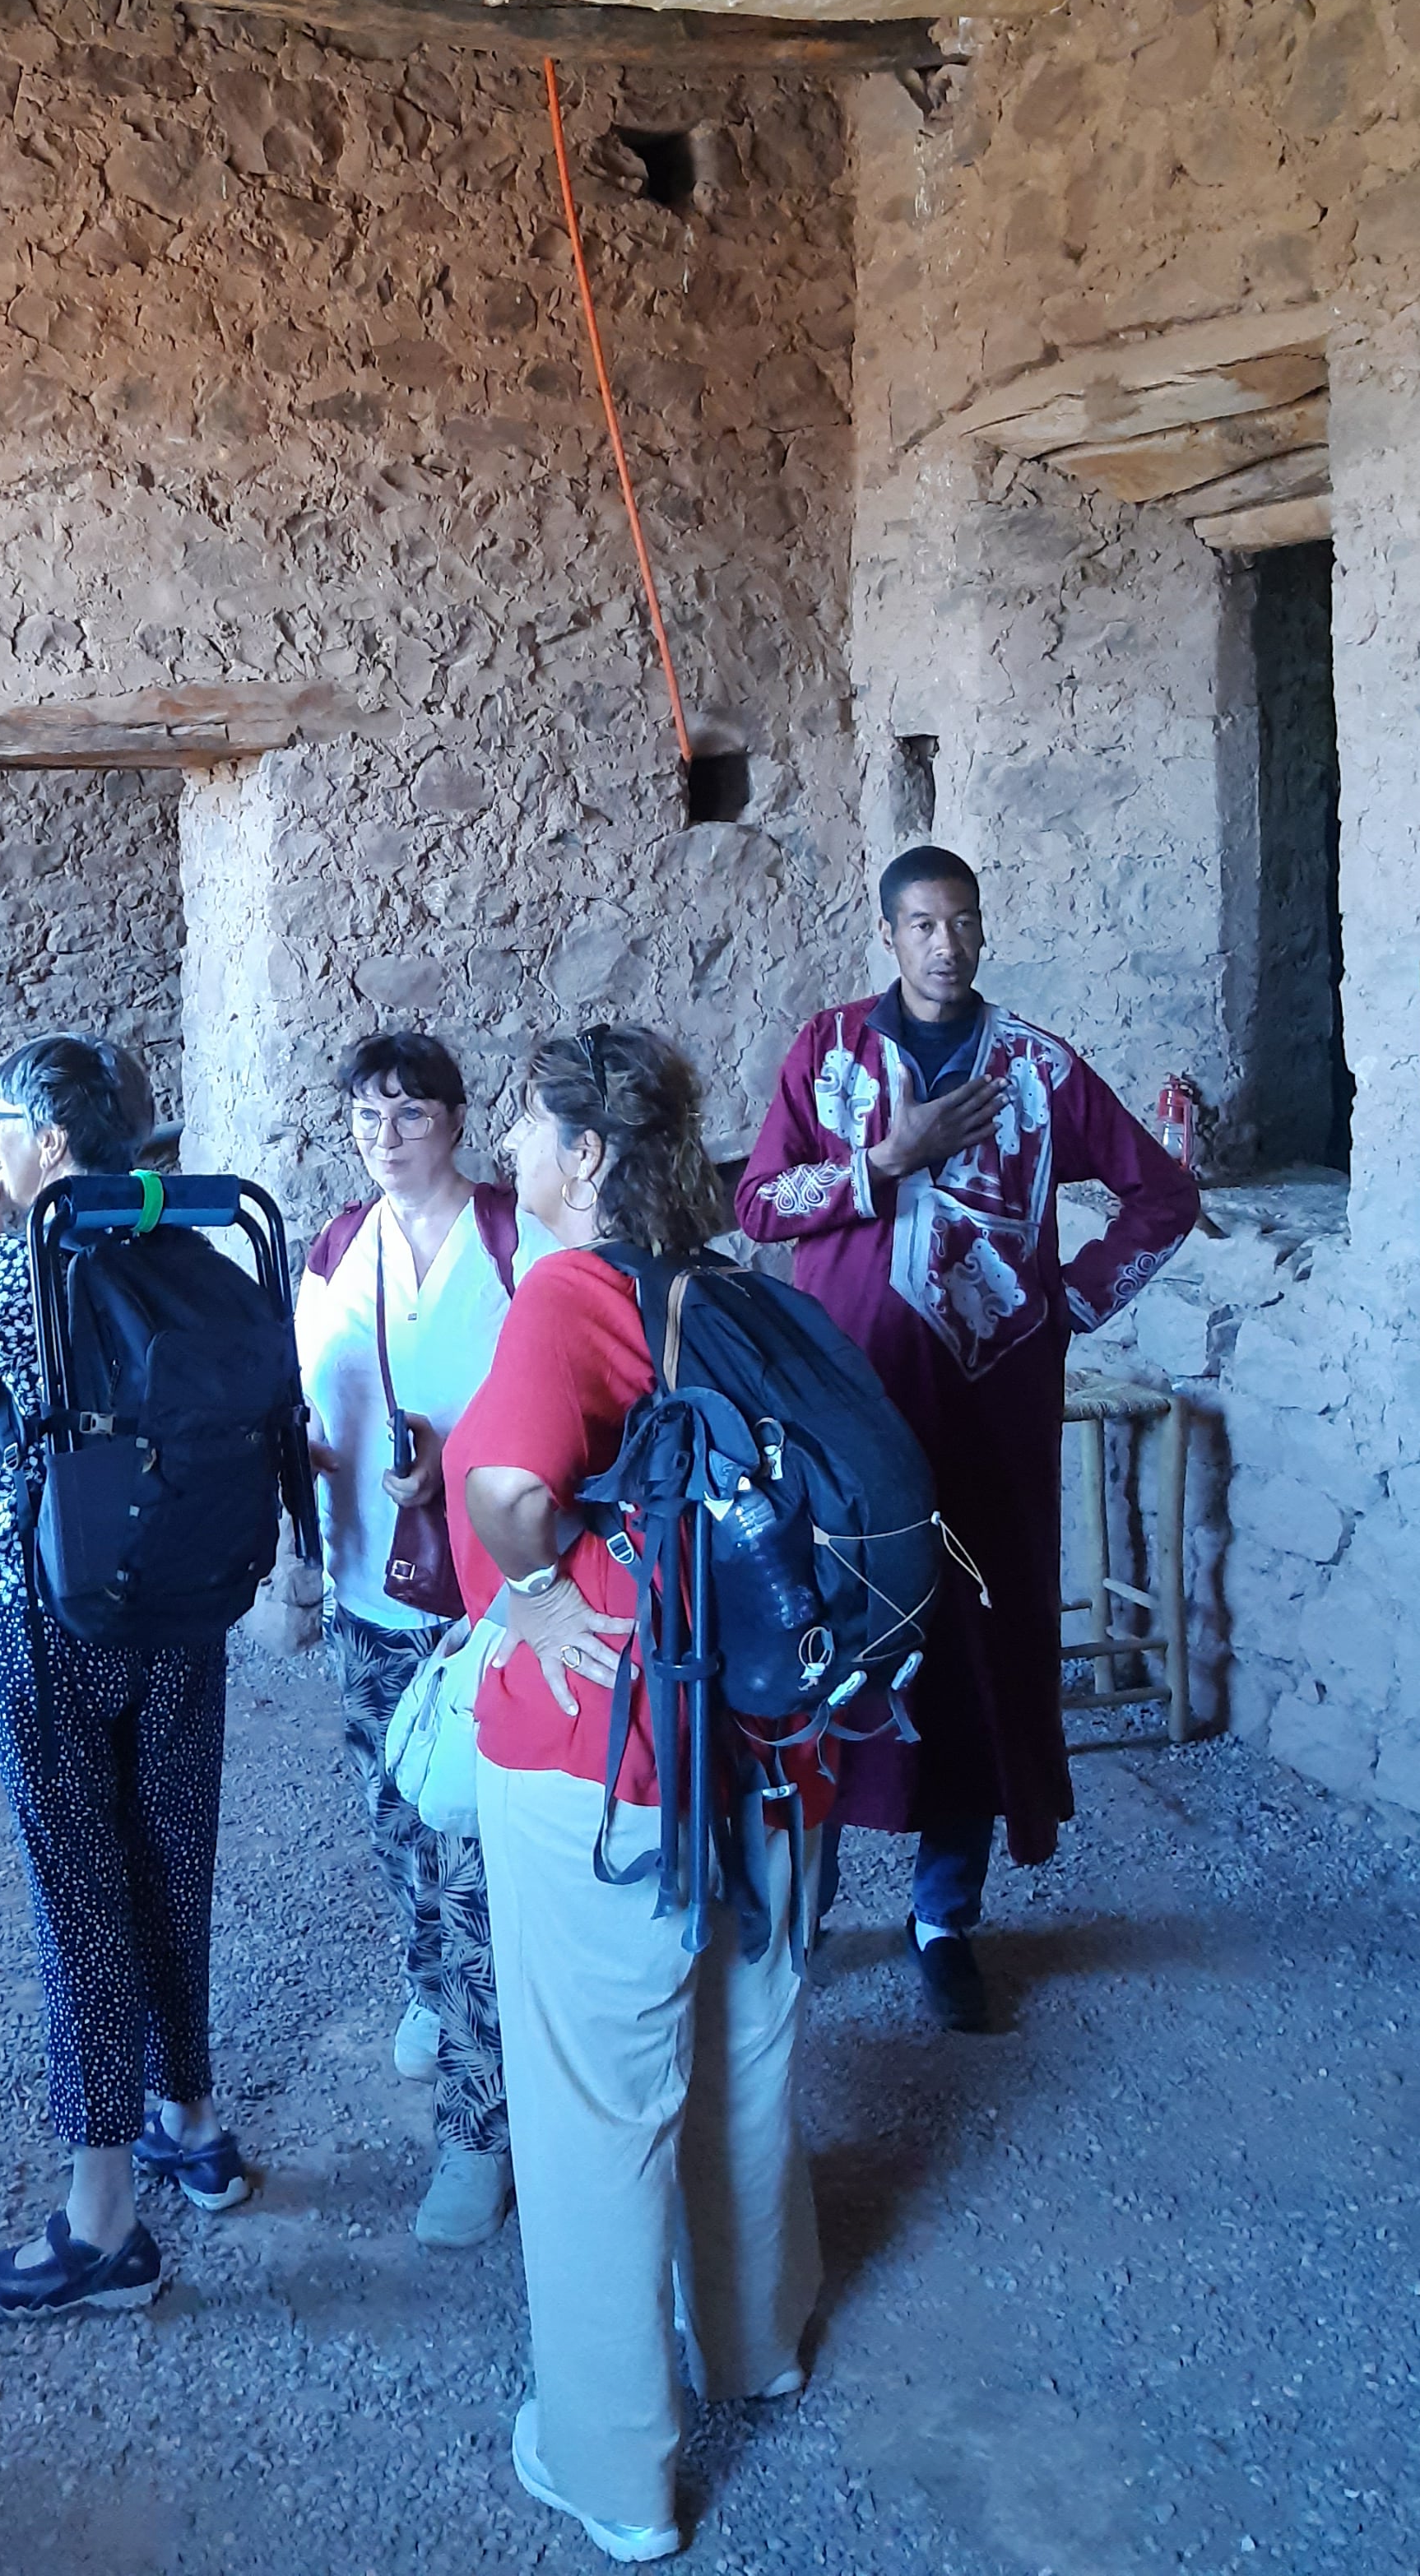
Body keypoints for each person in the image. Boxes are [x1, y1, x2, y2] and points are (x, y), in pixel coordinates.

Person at [446, 1025, 826, 2566]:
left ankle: (614, 2469)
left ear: (589, 1154)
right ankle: (758, 2343)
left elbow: (507, 1492)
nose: (511, 1152)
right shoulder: (720, 1288)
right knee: (742, 2057)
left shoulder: (571, 1295)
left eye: (530, 1129)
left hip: (610, 1763)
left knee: (597, 2108)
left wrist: (533, 1597)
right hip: (764, 1752)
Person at [737, 847, 1200, 2031]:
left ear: (983, 932)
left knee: (976, 1650)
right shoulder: (830, 1054)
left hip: (990, 1416)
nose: (945, 945)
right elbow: (758, 1205)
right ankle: (804, 1908)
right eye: (922, 924)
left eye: (962, 923)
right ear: (888, 934)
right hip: (850, 1414)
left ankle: (945, 1918)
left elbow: (1164, 1197)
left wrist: (1071, 1304)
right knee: (832, 1642)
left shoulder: (1039, 1068)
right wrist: (883, 1161)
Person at [0, 1035, 245, 2318]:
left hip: (42, 1608)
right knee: (172, 1860)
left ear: (48, 1143)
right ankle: (188, 2120)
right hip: (185, 1596)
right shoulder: (196, 1250)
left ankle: (101, 2225)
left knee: (80, 1893)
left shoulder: (20, 1270)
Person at [293, 1030, 549, 2249]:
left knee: (473, 1863)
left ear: (454, 1120)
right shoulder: (337, 1251)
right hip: (371, 1586)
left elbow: (559, 1399)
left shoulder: (513, 1242)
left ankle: (478, 2129)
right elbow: (308, 1410)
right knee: (396, 1816)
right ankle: (428, 1982)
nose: (384, 1137)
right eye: (365, 1118)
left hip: (486, 1601)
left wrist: (459, 1459)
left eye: (407, 1114)